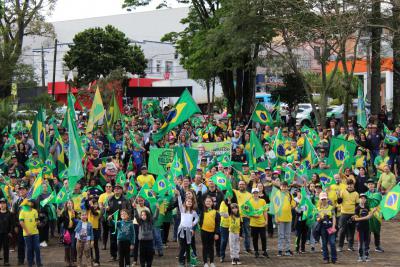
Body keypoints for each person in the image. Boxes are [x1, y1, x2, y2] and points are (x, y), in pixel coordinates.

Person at [176, 189, 199, 267]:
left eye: (190, 202)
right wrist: (179, 195)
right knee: (183, 247)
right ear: (185, 203)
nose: (189, 203)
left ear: (192, 203)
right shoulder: (183, 210)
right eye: (187, 202)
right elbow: (179, 203)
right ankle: (181, 261)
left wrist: (193, 223)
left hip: (189, 231)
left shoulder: (193, 212)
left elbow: (197, 218)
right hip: (182, 231)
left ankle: (190, 261)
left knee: (188, 246)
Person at [352, 194, 377, 262]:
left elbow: (370, 215)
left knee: (367, 242)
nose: (363, 200)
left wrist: (373, 211)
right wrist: (366, 218)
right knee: (360, 242)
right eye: (361, 198)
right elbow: (356, 219)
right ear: (359, 199)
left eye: (364, 199)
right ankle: (360, 256)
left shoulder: (367, 206)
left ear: (365, 200)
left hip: (367, 227)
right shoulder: (357, 208)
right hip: (360, 228)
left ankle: (366, 256)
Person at [19, 199, 42, 267]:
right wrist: (27, 231)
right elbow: (21, 222)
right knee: (29, 249)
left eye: (31, 202)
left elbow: (37, 220)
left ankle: (39, 263)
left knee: (37, 248)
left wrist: (38, 222)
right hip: (27, 234)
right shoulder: (22, 211)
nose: (30, 204)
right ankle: (30, 263)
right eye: (29, 202)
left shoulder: (35, 211)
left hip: (35, 233)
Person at [337, 180, 359, 252]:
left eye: (351, 185)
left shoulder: (356, 194)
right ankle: (340, 246)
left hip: (352, 214)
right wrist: (338, 196)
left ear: (353, 185)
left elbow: (357, 205)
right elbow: (339, 202)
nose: (349, 186)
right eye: (348, 185)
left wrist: (356, 214)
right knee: (342, 230)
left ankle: (350, 246)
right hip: (344, 213)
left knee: (351, 230)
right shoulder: (343, 191)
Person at [199, 196, 220, 267]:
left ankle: (211, 262)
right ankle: (205, 262)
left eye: (209, 201)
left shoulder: (215, 212)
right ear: (204, 203)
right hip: (204, 232)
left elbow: (217, 224)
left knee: (211, 247)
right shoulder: (202, 211)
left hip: (212, 232)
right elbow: (200, 221)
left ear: (212, 203)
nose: (208, 202)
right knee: (204, 247)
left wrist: (217, 233)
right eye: (206, 201)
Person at [276, 181, 296, 257]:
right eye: (282, 186)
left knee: (287, 235)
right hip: (280, 218)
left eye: (285, 186)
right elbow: (275, 207)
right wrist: (276, 218)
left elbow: (293, 204)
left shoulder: (290, 195)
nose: (284, 188)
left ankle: (287, 250)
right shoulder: (277, 194)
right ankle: (280, 250)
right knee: (281, 235)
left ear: (287, 187)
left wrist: (293, 206)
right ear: (280, 187)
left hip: (288, 218)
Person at [317, 192, 337, 264]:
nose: (323, 200)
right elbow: (317, 219)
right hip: (323, 227)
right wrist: (321, 218)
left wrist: (333, 227)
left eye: (324, 199)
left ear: (327, 199)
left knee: (332, 243)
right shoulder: (318, 208)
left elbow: (334, 218)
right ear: (320, 200)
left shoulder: (331, 207)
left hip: (330, 226)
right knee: (324, 243)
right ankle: (326, 258)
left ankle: (334, 258)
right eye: (322, 199)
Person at [248, 188, 268, 258]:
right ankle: (256, 251)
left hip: (262, 223)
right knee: (255, 238)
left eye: (256, 193)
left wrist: (266, 220)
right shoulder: (249, 202)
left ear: (258, 193)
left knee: (263, 238)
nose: (255, 194)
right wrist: (253, 215)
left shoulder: (263, 201)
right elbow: (247, 213)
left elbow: (265, 211)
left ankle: (264, 251)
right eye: (254, 193)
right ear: (252, 194)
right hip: (253, 223)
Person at [365, 179, 384, 252]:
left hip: (377, 214)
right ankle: (367, 247)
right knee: (368, 231)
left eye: (372, 184)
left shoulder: (378, 194)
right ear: (367, 186)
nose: (371, 186)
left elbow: (380, 203)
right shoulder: (365, 194)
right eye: (369, 184)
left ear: (374, 185)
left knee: (377, 230)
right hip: (368, 214)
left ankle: (377, 246)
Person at [60, 200, 78, 267]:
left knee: (73, 245)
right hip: (66, 230)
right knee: (67, 246)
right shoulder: (64, 212)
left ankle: (72, 260)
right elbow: (60, 221)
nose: (69, 204)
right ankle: (67, 261)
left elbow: (77, 222)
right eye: (68, 203)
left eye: (71, 203)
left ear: (72, 204)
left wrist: (74, 216)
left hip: (73, 230)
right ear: (66, 205)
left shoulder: (75, 212)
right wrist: (59, 215)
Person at [0, 197, 13, 266]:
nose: (2, 205)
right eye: (1, 203)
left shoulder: (9, 214)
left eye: (3, 203)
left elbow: (11, 224)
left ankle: (6, 261)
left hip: (6, 234)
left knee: (6, 248)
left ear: (6, 205)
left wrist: (10, 232)